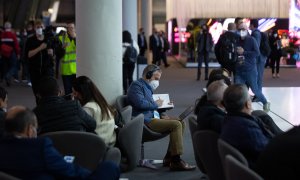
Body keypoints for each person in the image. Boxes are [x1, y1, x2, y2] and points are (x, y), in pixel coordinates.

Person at [0, 105, 120, 180]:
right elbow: (69, 172)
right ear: (30, 130)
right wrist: (92, 173)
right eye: (36, 129)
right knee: (110, 167)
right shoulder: (40, 147)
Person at [127, 64, 196, 171]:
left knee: (181, 122)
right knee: (176, 125)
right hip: (144, 121)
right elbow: (140, 104)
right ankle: (176, 160)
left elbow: (150, 105)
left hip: (152, 118)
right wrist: (156, 104)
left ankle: (169, 158)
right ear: (148, 75)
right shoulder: (136, 86)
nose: (157, 82)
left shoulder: (147, 87)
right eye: (156, 78)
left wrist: (164, 108)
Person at [220, 84, 274, 169]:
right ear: (247, 104)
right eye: (250, 99)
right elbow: (269, 152)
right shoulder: (247, 128)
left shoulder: (228, 120)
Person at [234, 23, 270, 112]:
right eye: (239, 29)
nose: (241, 31)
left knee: (255, 90)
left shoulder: (252, 40)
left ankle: (265, 103)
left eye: (243, 29)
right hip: (239, 70)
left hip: (250, 70)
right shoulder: (236, 40)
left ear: (246, 30)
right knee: (238, 90)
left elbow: (257, 53)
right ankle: (239, 109)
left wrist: (244, 52)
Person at [72, 76, 117, 147]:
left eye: (74, 93)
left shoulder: (88, 108)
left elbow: (80, 131)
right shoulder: (101, 102)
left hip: (99, 147)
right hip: (110, 143)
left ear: (81, 93)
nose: (74, 96)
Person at [25, 20, 55, 104]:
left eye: (41, 27)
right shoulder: (30, 40)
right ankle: (40, 112)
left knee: (48, 93)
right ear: (34, 28)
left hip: (47, 70)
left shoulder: (48, 39)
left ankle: (48, 111)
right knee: (38, 94)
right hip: (35, 71)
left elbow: (54, 54)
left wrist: (52, 53)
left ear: (44, 28)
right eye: (38, 27)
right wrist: (40, 48)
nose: (40, 29)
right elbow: (28, 54)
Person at [59, 23, 77, 98]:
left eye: (72, 28)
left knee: (77, 91)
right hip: (66, 70)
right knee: (68, 92)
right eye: (69, 28)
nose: (71, 29)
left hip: (76, 70)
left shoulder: (79, 38)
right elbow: (58, 54)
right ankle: (69, 106)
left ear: (75, 29)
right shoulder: (61, 38)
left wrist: (75, 38)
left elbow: (82, 50)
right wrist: (62, 48)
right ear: (67, 29)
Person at [0, 21, 20, 87]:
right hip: (11, 53)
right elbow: (16, 45)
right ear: (10, 27)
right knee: (14, 66)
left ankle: (7, 80)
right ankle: (8, 76)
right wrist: (18, 53)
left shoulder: (2, 35)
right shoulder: (12, 35)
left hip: (3, 53)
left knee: (5, 67)